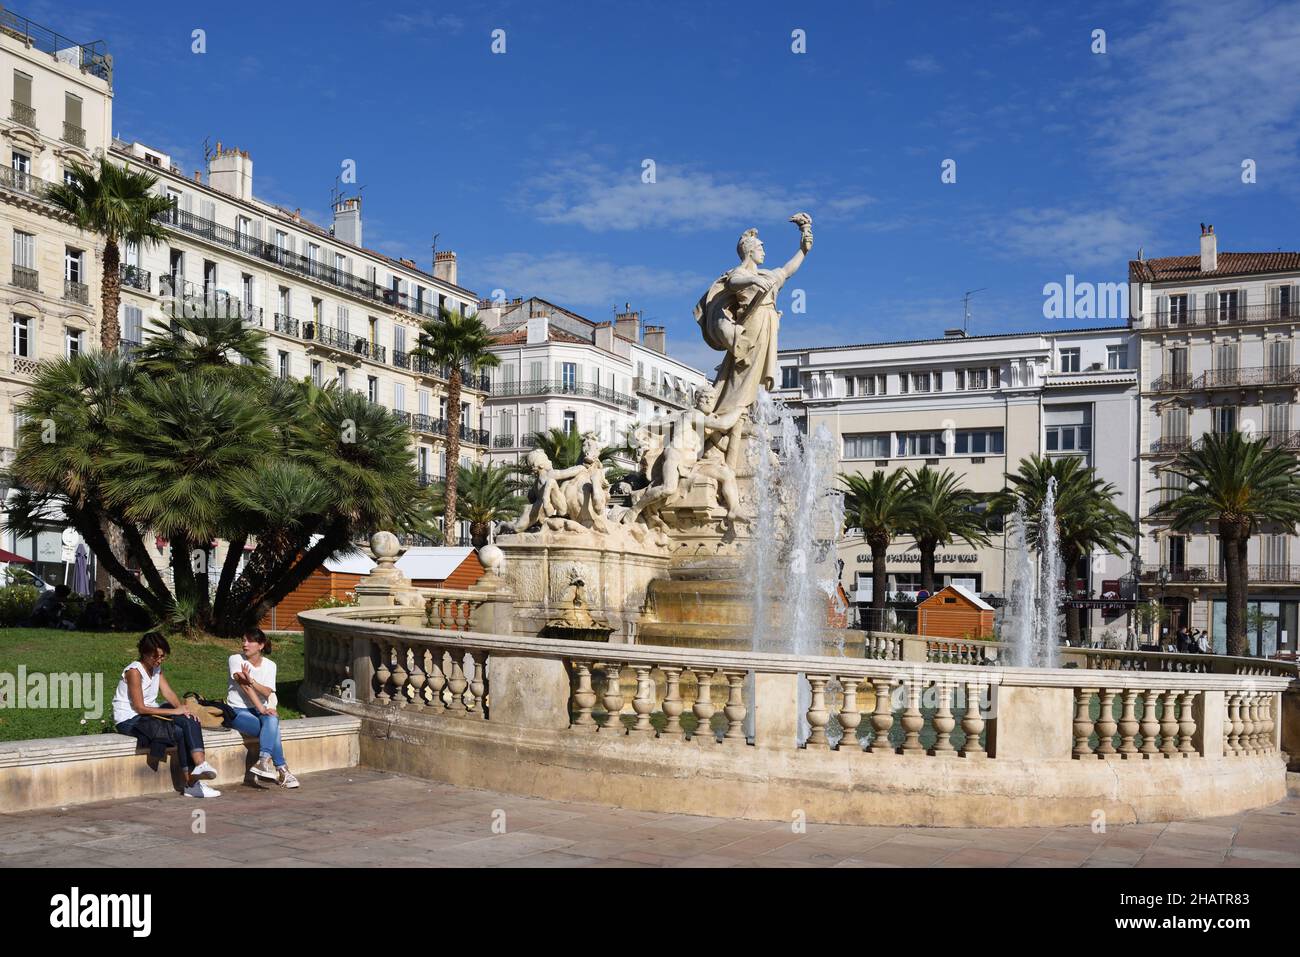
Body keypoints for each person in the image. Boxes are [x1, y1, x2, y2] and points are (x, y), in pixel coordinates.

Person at [112, 632, 220, 798]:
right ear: (145, 653)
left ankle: (200, 766)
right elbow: (140, 708)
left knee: (188, 720)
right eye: (157, 656)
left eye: (163, 656)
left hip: (148, 716)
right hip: (130, 720)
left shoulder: (156, 669)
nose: (160, 660)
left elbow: (168, 692)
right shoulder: (134, 671)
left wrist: (184, 710)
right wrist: (175, 711)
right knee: (179, 731)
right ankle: (191, 783)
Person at [227, 628, 299, 788]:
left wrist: (251, 680)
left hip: (260, 710)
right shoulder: (235, 659)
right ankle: (282, 770)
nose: (245, 644)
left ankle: (263, 762)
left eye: (250, 641)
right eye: (243, 640)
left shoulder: (270, 665)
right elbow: (243, 686)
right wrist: (261, 708)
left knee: (271, 720)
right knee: (271, 728)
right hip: (237, 710)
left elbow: (267, 691)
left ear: (260, 645)